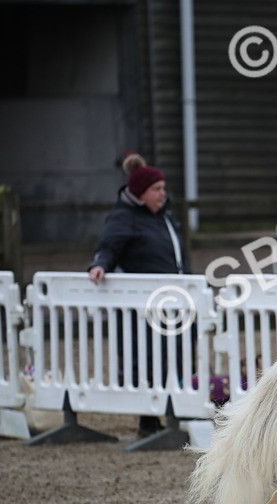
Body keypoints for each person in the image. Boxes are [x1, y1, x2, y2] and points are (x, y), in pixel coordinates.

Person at [88, 153, 191, 437]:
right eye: (156, 189)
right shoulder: (124, 218)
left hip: (175, 299)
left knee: (178, 354)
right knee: (145, 357)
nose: (162, 193)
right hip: (144, 304)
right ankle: (148, 419)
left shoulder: (165, 217)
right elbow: (109, 246)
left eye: (163, 188)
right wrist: (100, 265)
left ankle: (176, 412)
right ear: (141, 193)